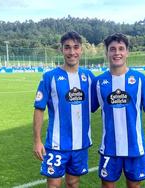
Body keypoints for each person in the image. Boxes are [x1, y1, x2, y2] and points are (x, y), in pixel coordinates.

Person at [91, 33, 145, 188]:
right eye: (112, 49)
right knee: (108, 186)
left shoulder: (139, 79)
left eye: (121, 49)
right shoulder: (98, 82)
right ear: (107, 52)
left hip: (135, 147)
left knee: (134, 186)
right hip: (109, 147)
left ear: (127, 52)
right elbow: (85, 109)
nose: (117, 53)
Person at [33, 31, 94, 188]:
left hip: (80, 143)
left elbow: (100, 103)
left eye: (75, 47)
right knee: (53, 184)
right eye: (67, 48)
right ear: (61, 50)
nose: (72, 52)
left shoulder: (89, 77)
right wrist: (37, 140)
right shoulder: (49, 77)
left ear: (81, 50)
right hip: (56, 143)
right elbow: (39, 109)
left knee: (73, 182)